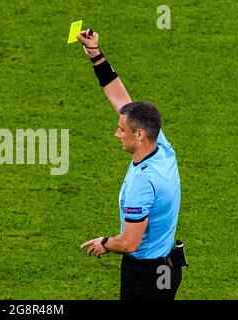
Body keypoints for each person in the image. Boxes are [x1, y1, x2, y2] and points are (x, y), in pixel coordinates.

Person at [78, 29, 183, 300]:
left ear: (138, 135)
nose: (116, 133)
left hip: (146, 274)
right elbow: (122, 101)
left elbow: (129, 242)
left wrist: (105, 243)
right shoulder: (162, 147)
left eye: (120, 130)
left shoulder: (142, 183)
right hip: (168, 266)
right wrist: (95, 54)